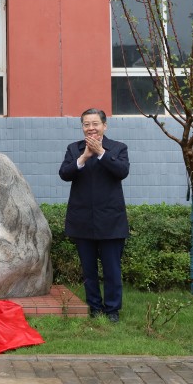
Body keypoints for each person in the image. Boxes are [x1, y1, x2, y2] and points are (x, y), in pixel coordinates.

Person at [58, 108, 130, 323]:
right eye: (86, 124)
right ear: (82, 127)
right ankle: (95, 307)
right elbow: (64, 174)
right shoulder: (74, 149)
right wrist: (83, 157)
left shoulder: (118, 148)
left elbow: (122, 171)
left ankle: (112, 310)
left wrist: (101, 153)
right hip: (82, 220)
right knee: (89, 270)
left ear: (104, 126)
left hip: (111, 220)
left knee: (112, 269)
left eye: (95, 124)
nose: (91, 128)